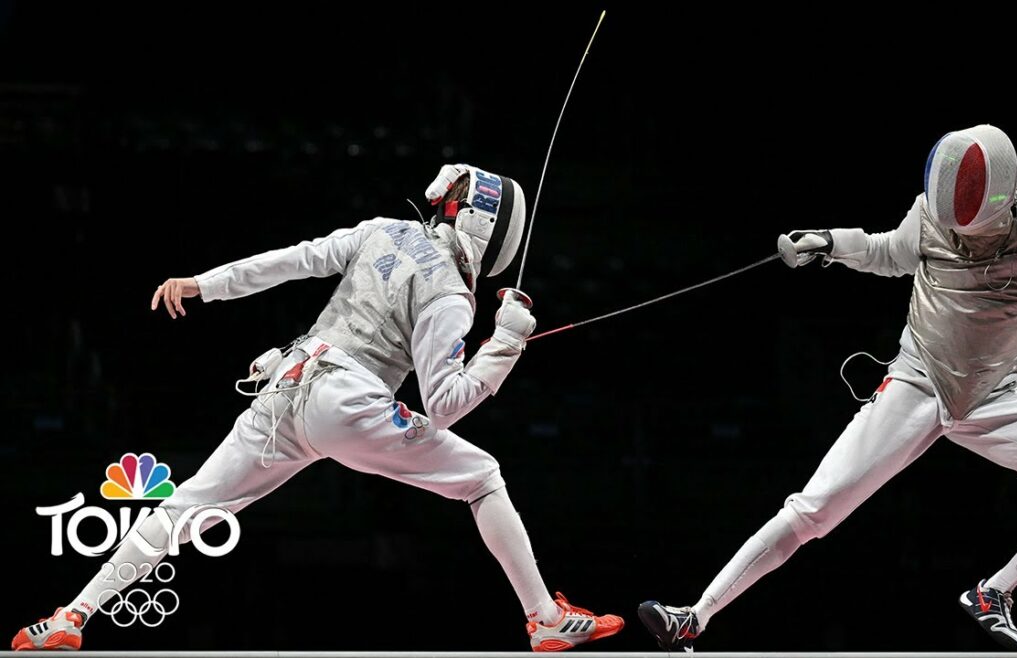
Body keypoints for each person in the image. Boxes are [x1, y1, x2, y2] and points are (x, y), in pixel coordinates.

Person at [639, 32, 1017, 652]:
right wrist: (829, 240)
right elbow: (888, 251)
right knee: (814, 510)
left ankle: (995, 592)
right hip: (917, 380)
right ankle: (696, 616)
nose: (955, 233)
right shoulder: (931, 213)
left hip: (994, 395)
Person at [13, 164, 624, 652]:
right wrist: (508, 342)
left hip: (288, 385)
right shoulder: (450, 298)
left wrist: (204, 283)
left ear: (463, 213)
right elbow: (444, 405)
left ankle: (71, 617)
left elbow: (290, 261)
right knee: (483, 479)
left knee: (188, 506)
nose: (444, 200)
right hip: (349, 404)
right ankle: (543, 618)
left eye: (454, 197)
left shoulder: (382, 230)